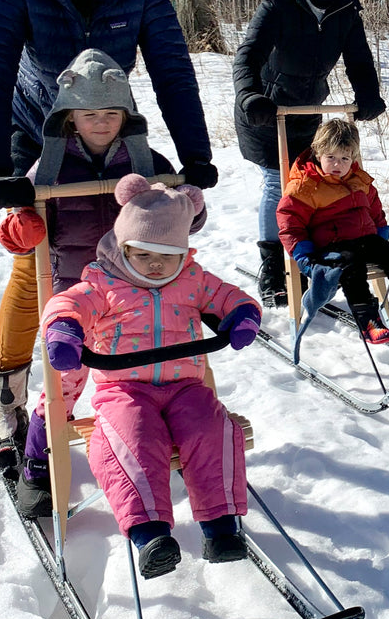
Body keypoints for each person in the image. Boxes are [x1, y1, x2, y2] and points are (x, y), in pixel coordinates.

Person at [0, 0, 218, 473]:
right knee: (40, 268)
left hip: (112, 134)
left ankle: (140, 374)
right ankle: (12, 390)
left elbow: (172, 69)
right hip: (36, 139)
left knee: (125, 255)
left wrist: (195, 155)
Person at [0, 48, 198, 516]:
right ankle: (39, 461)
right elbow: (16, 227)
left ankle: (187, 434)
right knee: (65, 378)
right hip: (77, 289)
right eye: (89, 114)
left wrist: (193, 207)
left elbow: (177, 217)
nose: (101, 122)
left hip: (143, 284)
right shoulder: (50, 166)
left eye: (110, 113)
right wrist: (21, 228)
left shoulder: (148, 159)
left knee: (179, 361)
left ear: (125, 115)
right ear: (70, 118)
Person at [39, 175, 261, 579]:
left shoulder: (192, 278)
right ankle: (150, 533)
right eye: (143, 254)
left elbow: (227, 295)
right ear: (123, 249)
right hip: (124, 389)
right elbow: (67, 303)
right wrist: (65, 328)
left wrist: (243, 313)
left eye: (167, 255)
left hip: (185, 387)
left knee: (212, 429)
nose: (156, 265)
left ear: (183, 253)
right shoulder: (102, 283)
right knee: (133, 440)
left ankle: (221, 525)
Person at [232, 0, 386, 308]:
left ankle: (306, 255)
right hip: (265, 108)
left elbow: (359, 57)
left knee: (311, 182)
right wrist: (251, 96)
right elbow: (247, 55)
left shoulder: (347, 6)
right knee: (278, 181)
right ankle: (273, 264)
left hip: (309, 109)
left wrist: (368, 94)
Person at [276, 118, 389, 344]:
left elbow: (374, 206)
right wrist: (303, 254)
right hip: (331, 246)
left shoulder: (357, 179)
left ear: (352, 158)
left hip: (365, 238)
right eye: (330, 157)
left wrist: (381, 232)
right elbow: (290, 222)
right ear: (317, 153)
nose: (337, 164)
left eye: (344, 158)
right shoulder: (306, 185)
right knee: (351, 268)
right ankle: (369, 321)